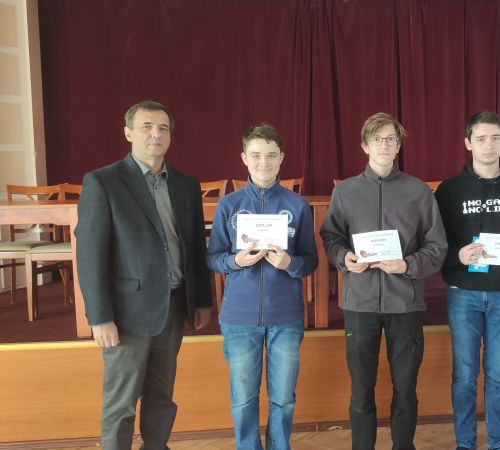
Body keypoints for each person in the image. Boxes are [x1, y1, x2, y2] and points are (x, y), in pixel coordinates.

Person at [75, 100, 213, 450]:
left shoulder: (186, 184)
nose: (155, 134)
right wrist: (100, 317)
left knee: (161, 397)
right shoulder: (102, 182)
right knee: (121, 403)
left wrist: (201, 300)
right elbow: (90, 256)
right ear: (128, 133)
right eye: (146, 127)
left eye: (163, 128)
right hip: (126, 315)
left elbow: (195, 246)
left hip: (174, 306)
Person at [319, 112, 447, 450]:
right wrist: (343, 257)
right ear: (365, 146)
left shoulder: (418, 191)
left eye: (391, 139)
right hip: (359, 304)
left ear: (399, 145)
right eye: (377, 139)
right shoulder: (345, 192)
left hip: (405, 304)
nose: (384, 145)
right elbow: (331, 236)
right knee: (361, 389)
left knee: (405, 388)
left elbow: (437, 247)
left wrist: (407, 264)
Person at [206, 124, 318, 449]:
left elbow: (310, 260)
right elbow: (213, 258)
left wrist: (290, 263)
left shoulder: (297, 205)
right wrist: (235, 261)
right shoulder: (228, 205)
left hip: (286, 316)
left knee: (284, 398)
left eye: (271, 155)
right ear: (244, 158)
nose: (263, 162)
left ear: (281, 157)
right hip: (239, 317)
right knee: (243, 399)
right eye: (255, 155)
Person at [434, 111, 500, 450]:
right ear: (468, 143)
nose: (488, 145)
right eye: (480, 139)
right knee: (464, 377)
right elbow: (435, 243)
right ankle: (465, 443)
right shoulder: (449, 190)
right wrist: (458, 255)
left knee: (497, 375)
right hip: (463, 294)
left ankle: (497, 442)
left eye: (495, 138)